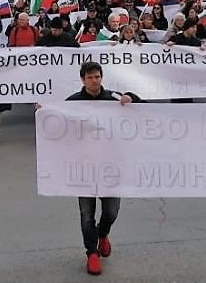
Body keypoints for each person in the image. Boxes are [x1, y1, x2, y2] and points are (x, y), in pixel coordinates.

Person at [65, 62, 141, 276]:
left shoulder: (113, 98)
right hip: (85, 167)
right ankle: (92, 253)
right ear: (82, 80)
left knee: (111, 211)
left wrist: (132, 98)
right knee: (86, 213)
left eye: (97, 76)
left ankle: (103, 234)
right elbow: (55, 121)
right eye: (89, 77)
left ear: (102, 77)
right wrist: (44, 111)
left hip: (111, 166)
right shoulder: (73, 102)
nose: (94, 80)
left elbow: (143, 107)